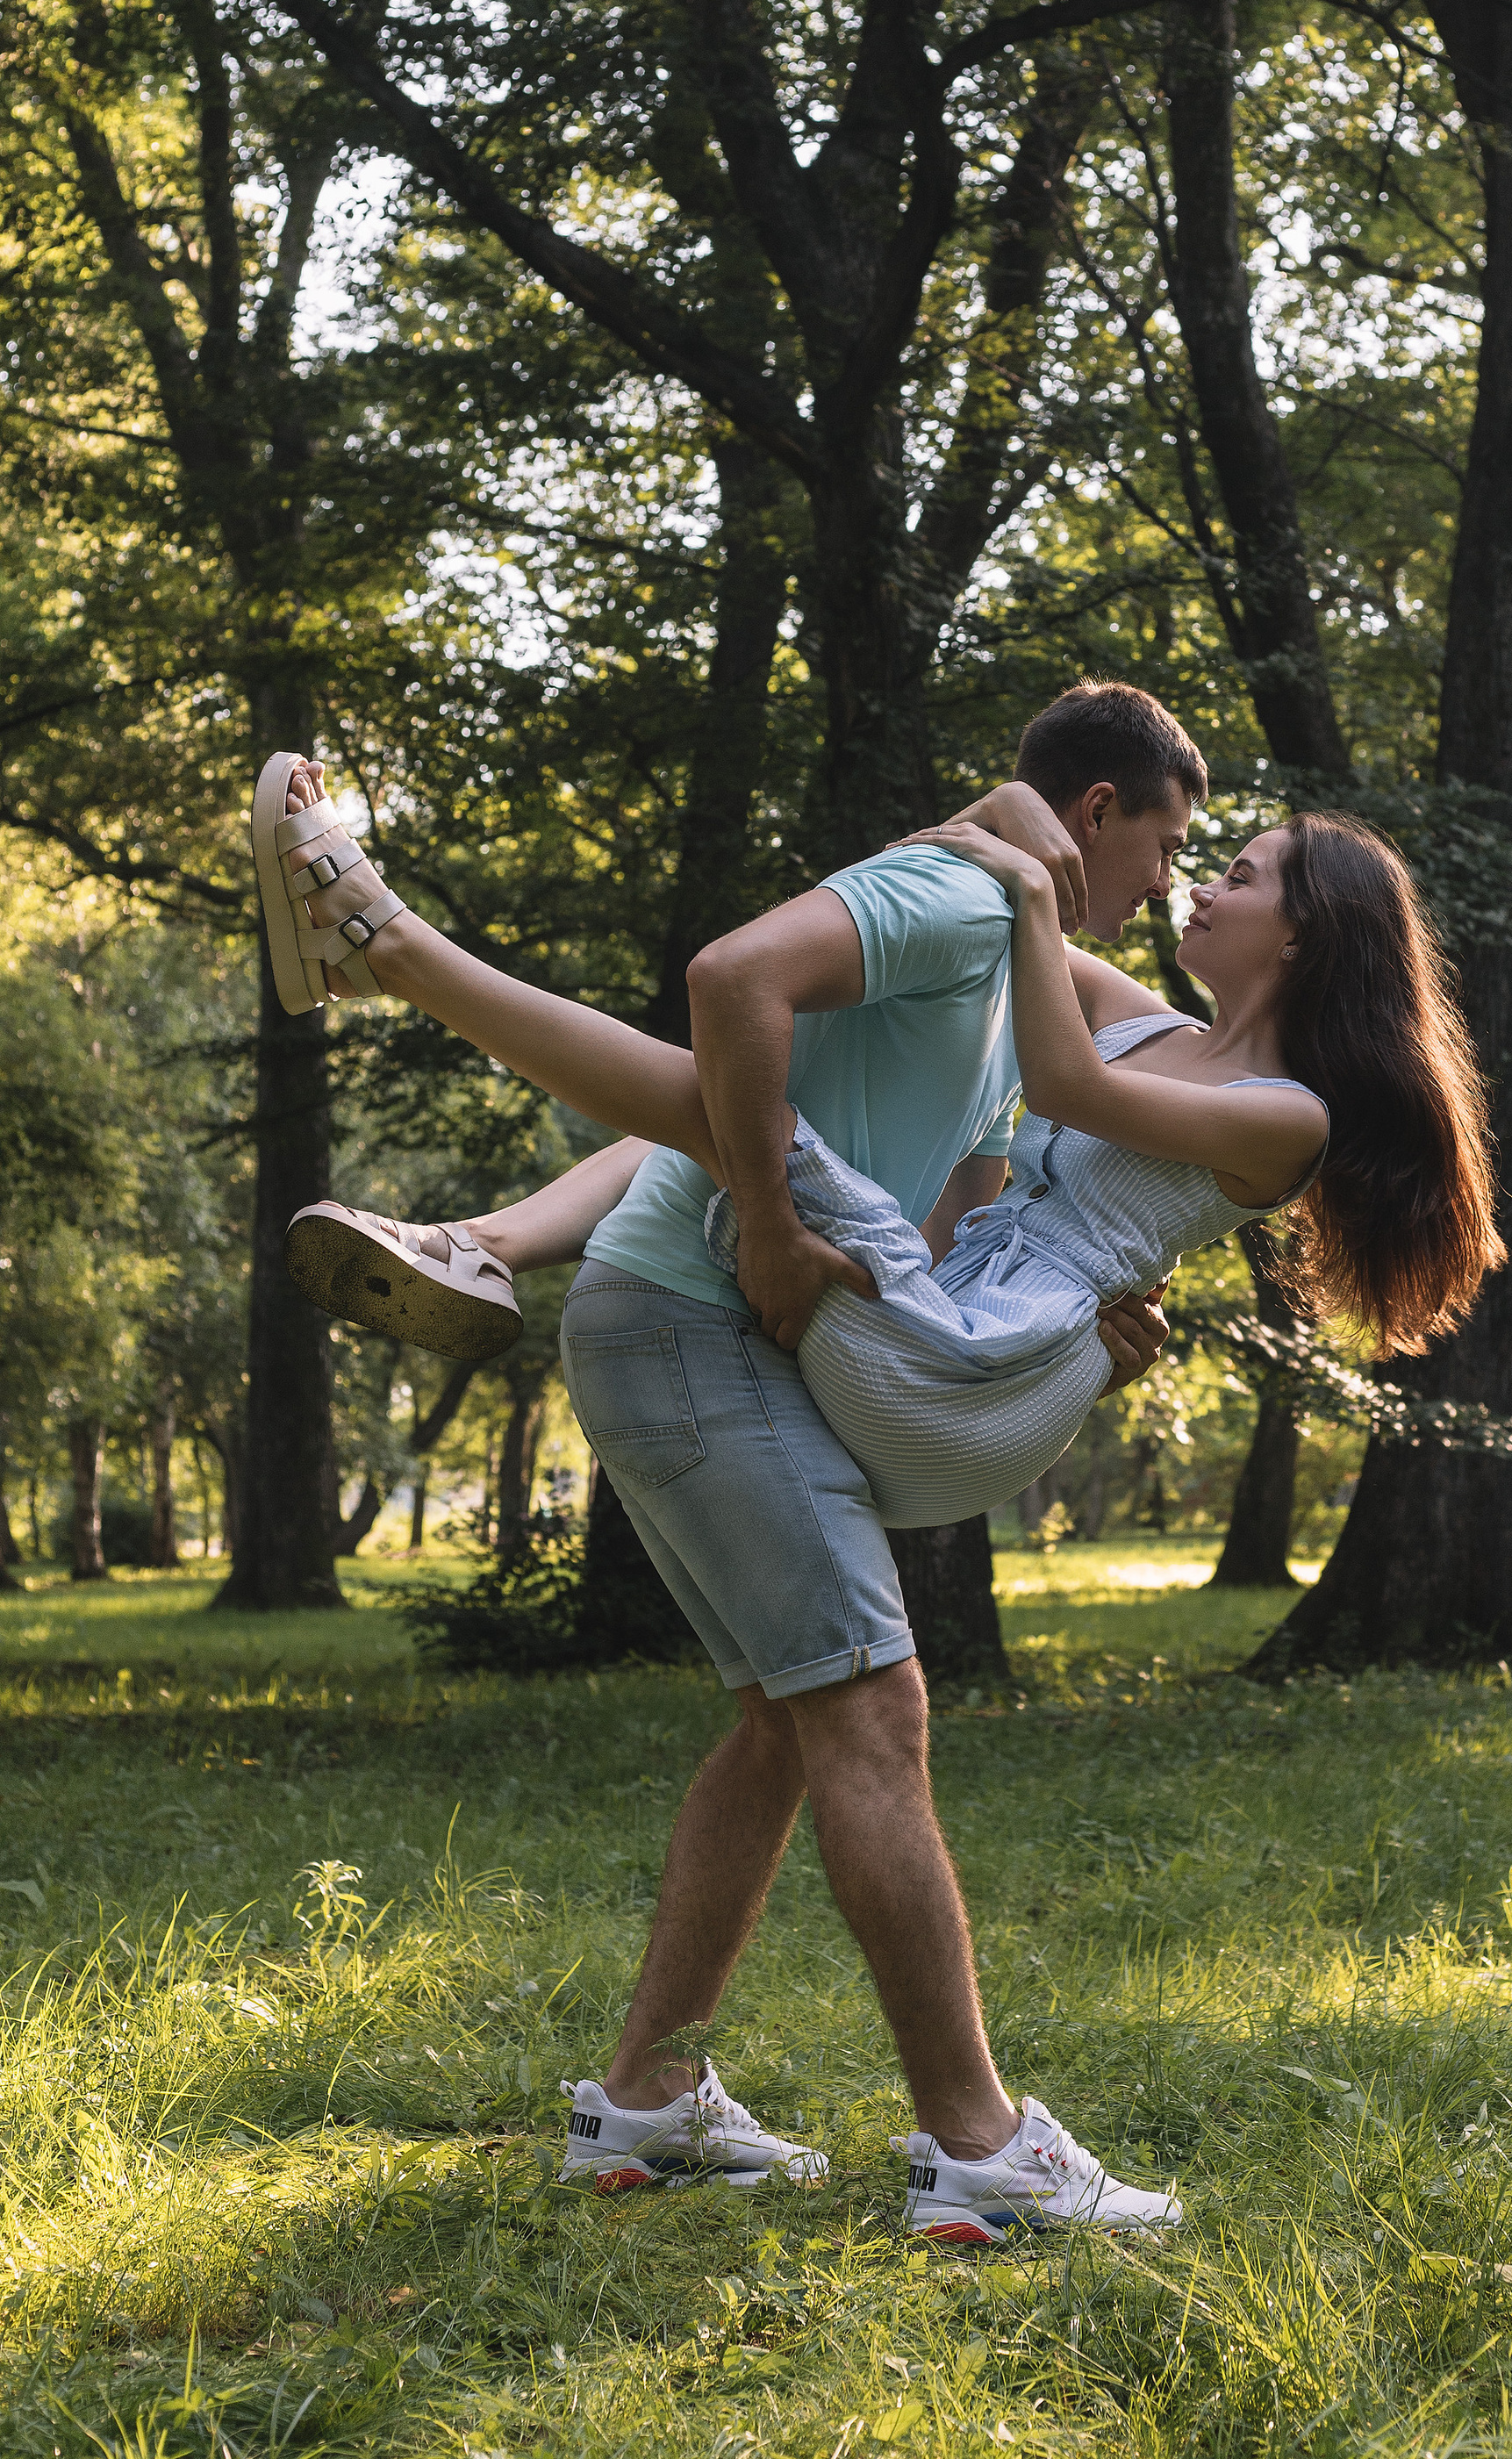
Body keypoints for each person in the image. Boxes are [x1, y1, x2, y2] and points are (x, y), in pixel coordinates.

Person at [254, 685, 1204, 2241]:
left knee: (785, 1725)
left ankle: (645, 2099)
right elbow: (727, 986)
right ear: (1100, 812)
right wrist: (766, 1220)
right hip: (697, 1317)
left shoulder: (989, 987)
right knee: (871, 1711)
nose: (1168, 889)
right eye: (1169, 846)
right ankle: (980, 2149)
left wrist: (1075, 1334)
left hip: (696, 1334)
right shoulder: (961, 898)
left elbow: (938, 1245)